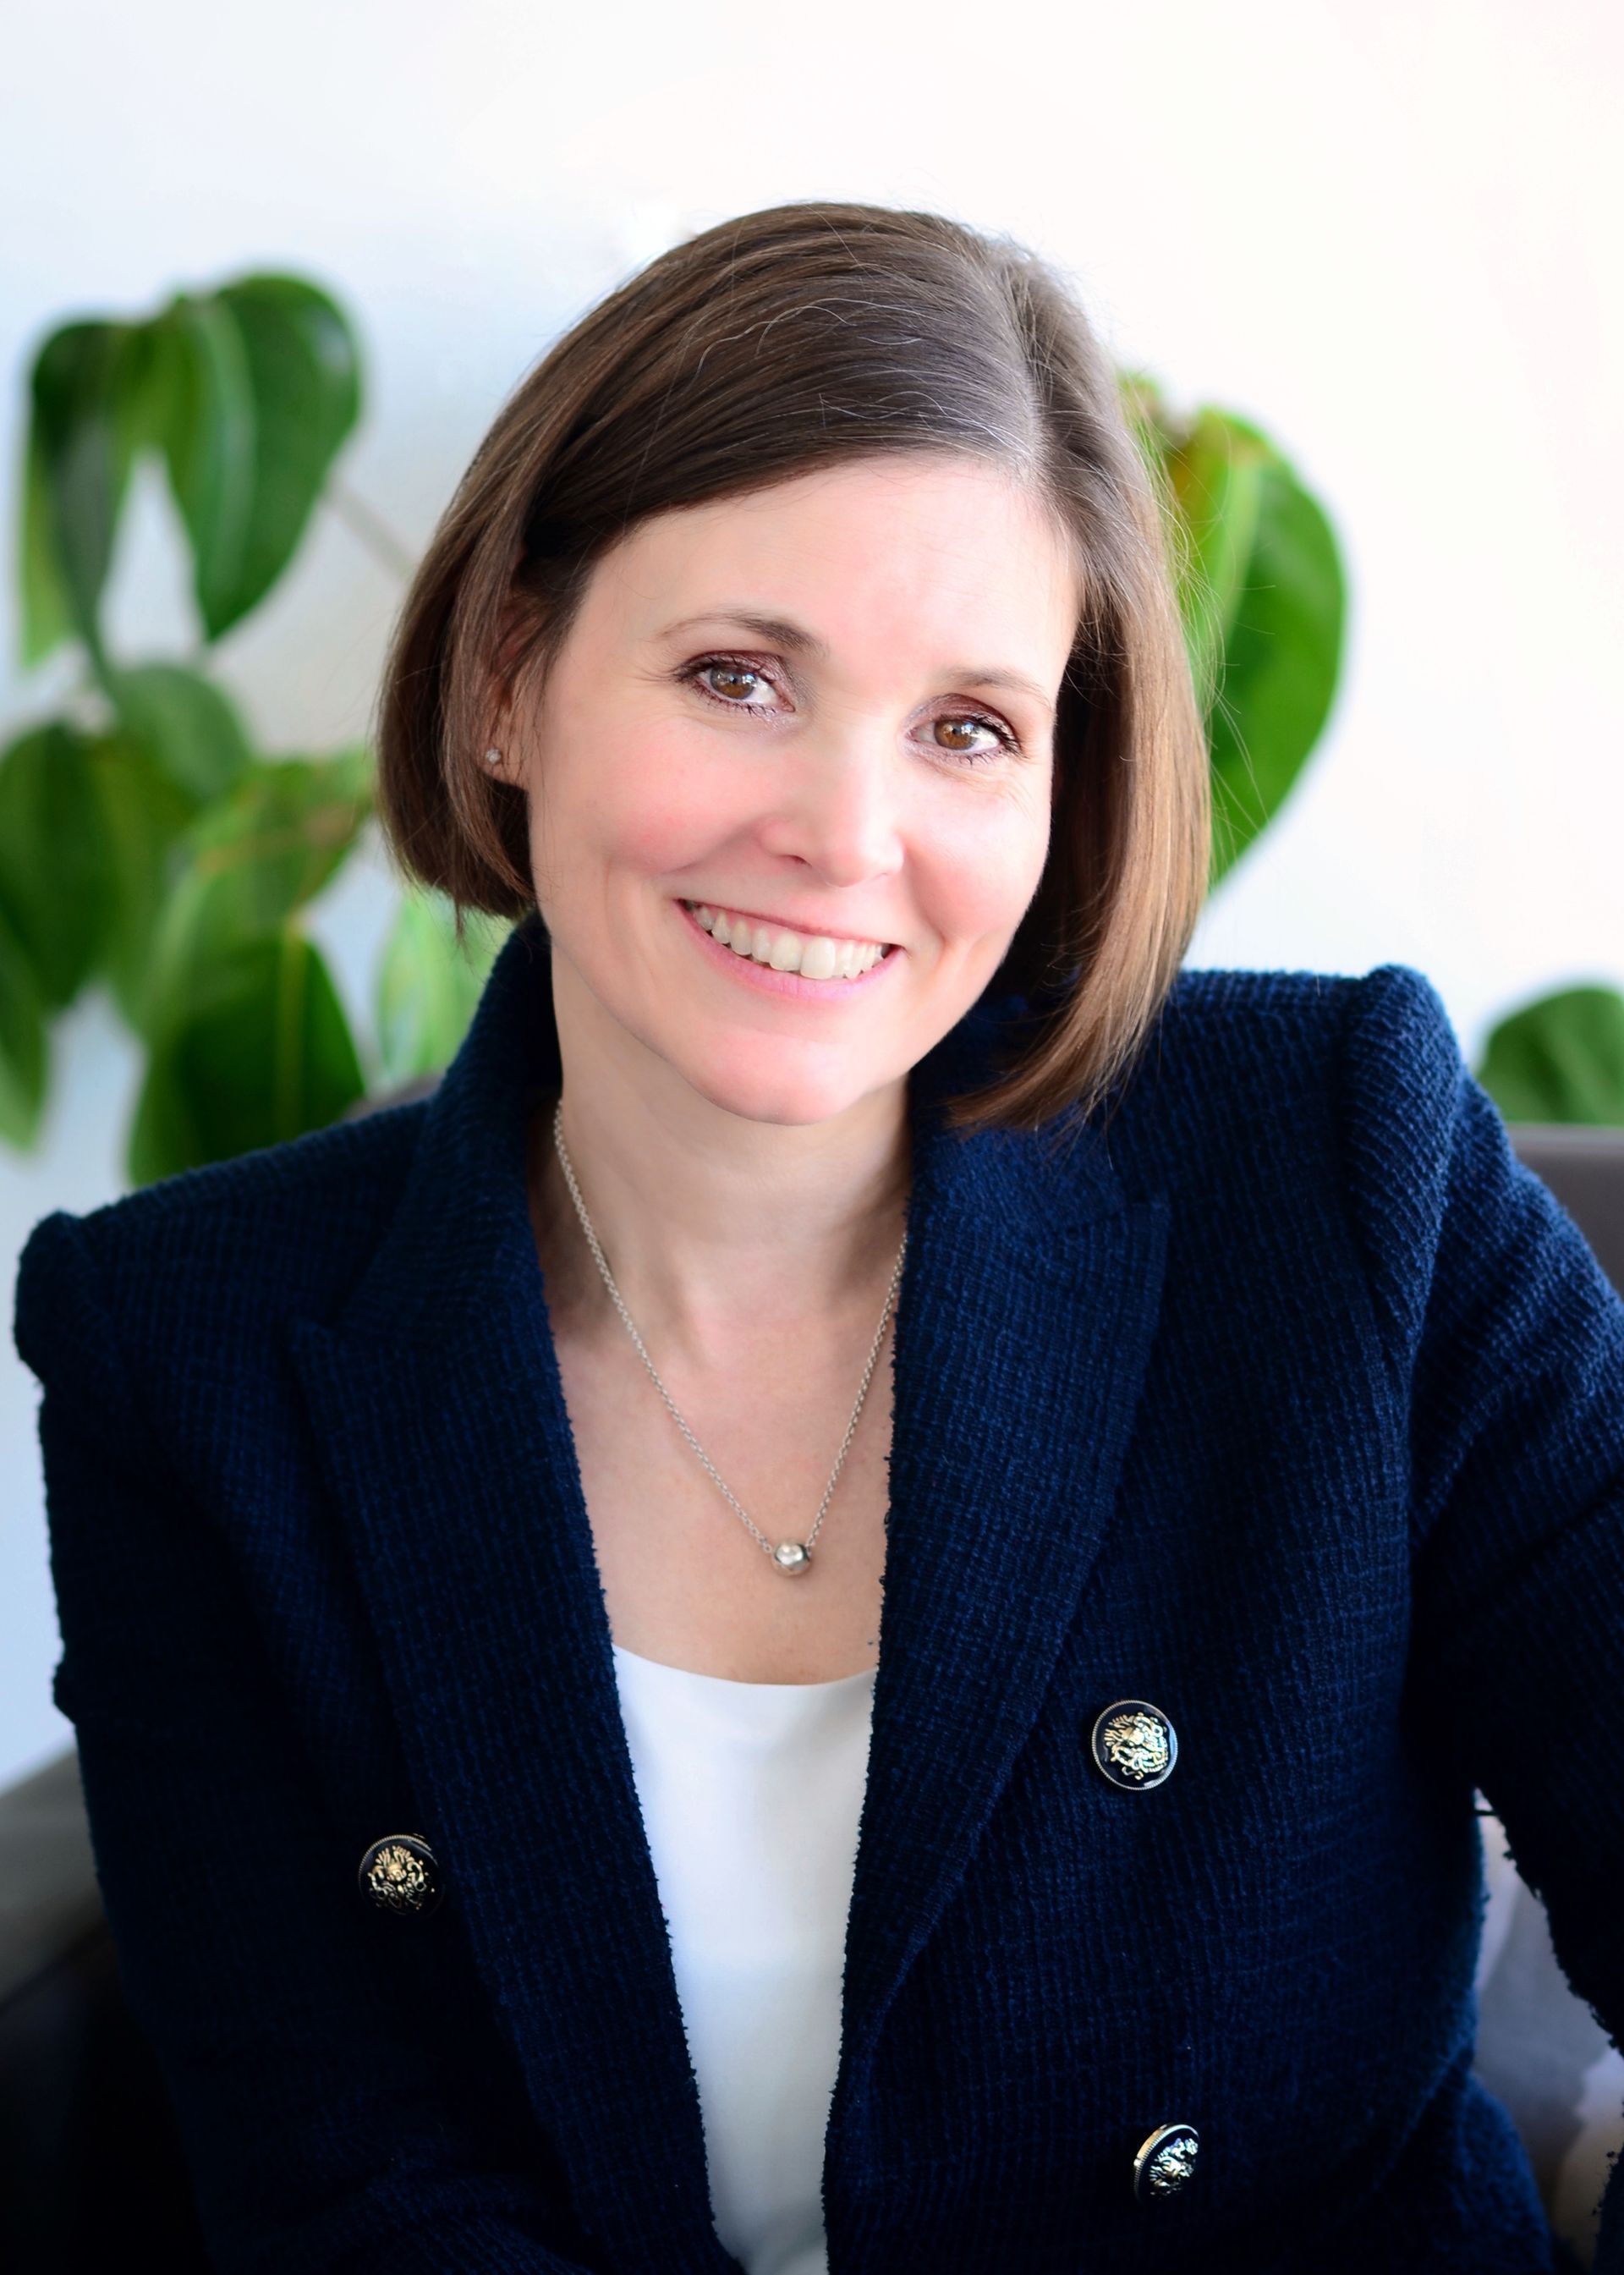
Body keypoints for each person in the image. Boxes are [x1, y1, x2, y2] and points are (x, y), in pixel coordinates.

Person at [11, 198, 1623, 2275]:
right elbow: (359, 2202)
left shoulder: (1339, 1167)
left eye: (968, 727)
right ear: (510, 680)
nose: (849, 834)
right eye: (740, 676)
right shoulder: (187, 1344)